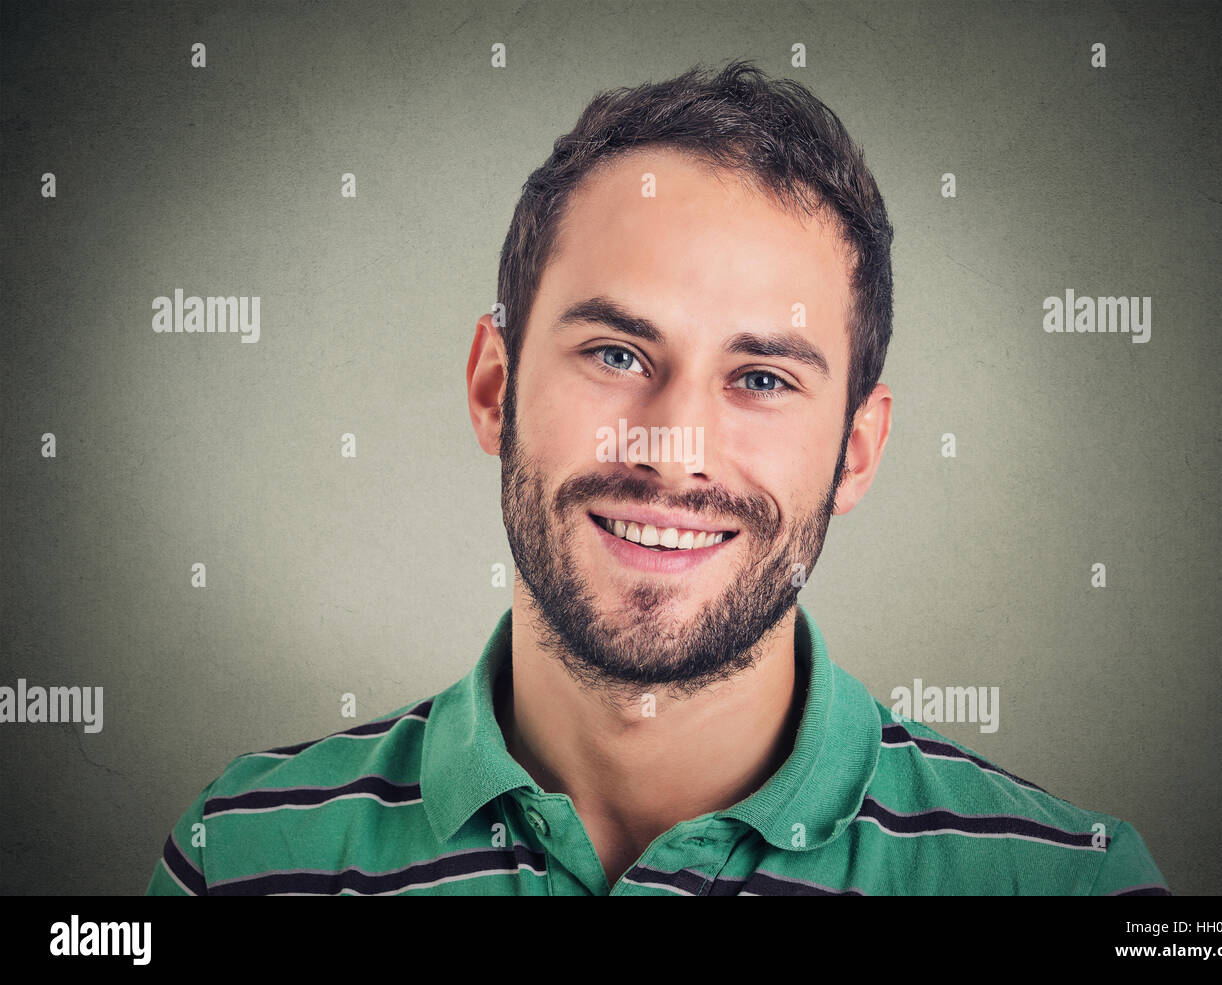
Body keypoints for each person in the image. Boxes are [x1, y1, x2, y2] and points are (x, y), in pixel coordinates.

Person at [147, 59, 1169, 896]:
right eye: (617, 355)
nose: (673, 449)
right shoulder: (239, 860)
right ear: (494, 386)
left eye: (761, 376)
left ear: (856, 450)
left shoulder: (1070, 884)